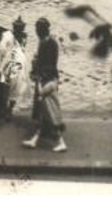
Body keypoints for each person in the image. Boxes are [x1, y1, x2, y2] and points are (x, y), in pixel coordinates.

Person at [22, 17, 66, 152]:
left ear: (41, 30)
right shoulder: (50, 42)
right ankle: (35, 140)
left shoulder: (46, 44)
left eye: (37, 29)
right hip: (48, 79)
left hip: (46, 81)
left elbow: (48, 65)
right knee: (44, 113)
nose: (36, 31)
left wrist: (39, 78)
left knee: (49, 112)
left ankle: (60, 142)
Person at [0, 23, 30, 114]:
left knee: (13, 82)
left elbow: (7, 55)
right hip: (6, 58)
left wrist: (0, 69)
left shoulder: (8, 36)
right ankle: (1, 105)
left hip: (16, 59)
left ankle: (9, 108)